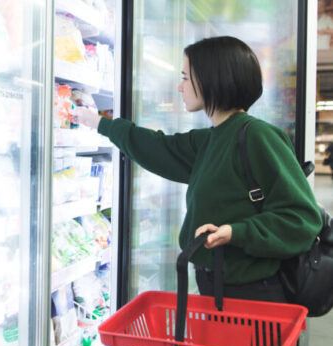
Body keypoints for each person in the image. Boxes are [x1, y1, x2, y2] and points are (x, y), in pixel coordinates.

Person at [71, 36, 323, 303]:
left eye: (185, 78)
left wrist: (236, 232)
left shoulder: (257, 137)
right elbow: (157, 148)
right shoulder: (211, 139)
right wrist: (99, 123)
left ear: (210, 80)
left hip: (252, 296)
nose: (180, 87)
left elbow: (302, 218)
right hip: (216, 288)